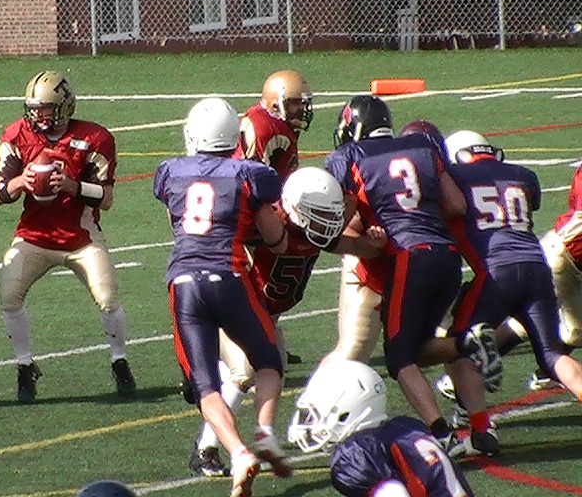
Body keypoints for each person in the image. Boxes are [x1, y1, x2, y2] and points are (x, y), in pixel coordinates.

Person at [324, 96, 498, 456]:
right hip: (446, 258)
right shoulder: (423, 145)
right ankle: (482, 427)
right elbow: (456, 205)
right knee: (421, 347)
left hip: (407, 258)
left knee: (399, 357)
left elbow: (343, 217)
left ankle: (440, 433)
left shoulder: (351, 156)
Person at [189, 167, 387, 477]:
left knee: (270, 370)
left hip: (265, 317)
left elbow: (356, 247)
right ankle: (206, 448)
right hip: (234, 310)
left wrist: (374, 242)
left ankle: (250, 426)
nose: (328, 222)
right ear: (296, 209)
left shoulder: (312, 231)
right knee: (245, 371)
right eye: (320, 214)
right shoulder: (268, 225)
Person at [153, 97, 292, 497]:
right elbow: (277, 241)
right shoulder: (249, 174)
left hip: (184, 283)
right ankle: (264, 432)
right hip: (229, 278)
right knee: (268, 361)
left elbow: (178, 222)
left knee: (205, 384)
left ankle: (237, 452)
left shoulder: (170, 172)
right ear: (234, 137)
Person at [435, 131, 582, 453]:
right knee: (552, 355)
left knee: (458, 343)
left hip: (495, 274)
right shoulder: (523, 176)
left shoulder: (454, 177)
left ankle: (480, 429)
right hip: (538, 268)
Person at [0, 70, 135, 403]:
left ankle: (119, 360)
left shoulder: (94, 137)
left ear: (65, 106)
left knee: (107, 298)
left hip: (80, 237)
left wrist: (70, 186)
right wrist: (22, 181)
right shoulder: (17, 134)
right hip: (34, 236)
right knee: (9, 296)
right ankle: (25, 365)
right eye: (34, 109)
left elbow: (106, 199)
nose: (37, 115)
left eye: (45, 108)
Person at [288, 359, 476, 497]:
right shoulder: (406, 426)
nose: (309, 424)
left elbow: (394, 493)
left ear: (346, 410)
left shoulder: (356, 451)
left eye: (314, 415)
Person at [234, 69, 314, 368]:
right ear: (275, 102)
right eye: (294, 103)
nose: (301, 109)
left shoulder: (275, 125)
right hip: (245, 217)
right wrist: (273, 213)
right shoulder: (268, 128)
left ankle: (266, 333)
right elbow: (250, 182)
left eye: (302, 103)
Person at [535, 159, 582, 388]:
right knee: (525, 323)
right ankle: (464, 374)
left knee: (575, 331)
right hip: (564, 253)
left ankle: (548, 371)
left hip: (569, 255)